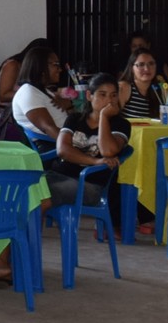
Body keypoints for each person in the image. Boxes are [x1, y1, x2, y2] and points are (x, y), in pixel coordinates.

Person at [52, 73, 131, 220]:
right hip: (61, 175)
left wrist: (104, 117)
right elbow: (62, 150)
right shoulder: (74, 119)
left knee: (43, 195)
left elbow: (108, 151)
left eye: (113, 95)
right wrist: (95, 161)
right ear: (89, 95)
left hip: (90, 185)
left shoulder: (122, 125)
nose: (109, 100)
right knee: (27, 187)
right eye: (102, 95)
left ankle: (27, 239)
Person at [119, 48, 168, 119]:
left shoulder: (163, 88)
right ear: (131, 68)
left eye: (151, 63)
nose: (146, 69)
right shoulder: (124, 87)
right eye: (141, 64)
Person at [10, 43, 65, 141]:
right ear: (41, 66)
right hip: (56, 147)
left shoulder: (40, 91)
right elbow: (48, 128)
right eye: (56, 65)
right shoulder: (28, 92)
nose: (60, 69)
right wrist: (79, 145)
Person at [0, 37, 52, 105]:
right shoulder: (12, 65)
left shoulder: (35, 68)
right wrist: (35, 94)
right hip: (7, 109)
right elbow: (3, 96)